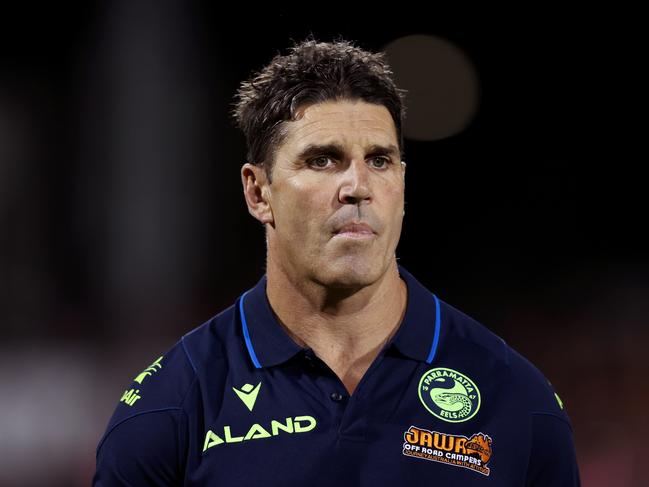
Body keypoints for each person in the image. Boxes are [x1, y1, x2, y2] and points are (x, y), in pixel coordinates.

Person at [93, 38, 580, 486]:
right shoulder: (173, 404)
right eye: (322, 160)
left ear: (402, 185)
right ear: (257, 191)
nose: (357, 187)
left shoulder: (515, 396)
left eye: (380, 160)